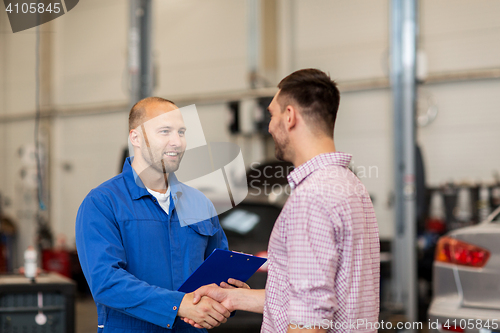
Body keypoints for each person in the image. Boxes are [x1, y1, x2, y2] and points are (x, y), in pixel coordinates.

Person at [185, 68, 380, 333]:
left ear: (289, 117)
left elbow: (310, 319)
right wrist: (233, 298)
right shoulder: (351, 186)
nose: (269, 126)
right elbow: (311, 300)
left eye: (272, 114)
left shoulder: (311, 197)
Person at [75, 97, 233, 332]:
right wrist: (178, 305)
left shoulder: (200, 204)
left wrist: (231, 293)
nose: (177, 142)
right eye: (164, 131)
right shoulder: (103, 203)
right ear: (135, 137)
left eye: (181, 132)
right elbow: (106, 282)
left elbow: (219, 269)